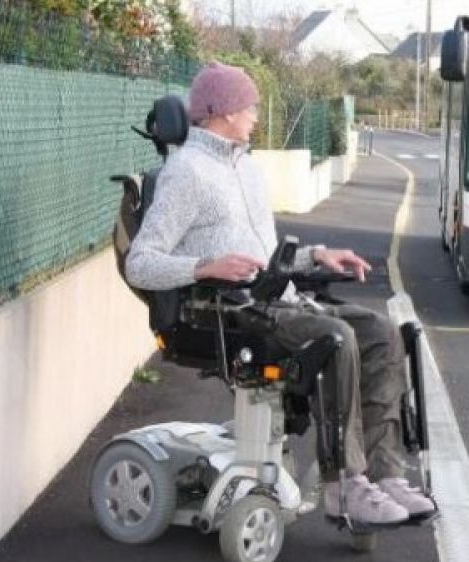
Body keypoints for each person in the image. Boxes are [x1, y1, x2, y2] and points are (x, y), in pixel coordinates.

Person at [124, 61, 435, 525]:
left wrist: (317, 255)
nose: (256, 114)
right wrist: (205, 266)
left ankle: (386, 474)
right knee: (333, 337)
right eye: (250, 106)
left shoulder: (246, 168)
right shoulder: (186, 172)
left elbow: (266, 254)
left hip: (277, 299)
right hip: (228, 310)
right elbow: (141, 263)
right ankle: (345, 485)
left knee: (380, 331)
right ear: (224, 112)